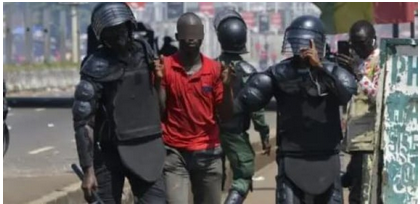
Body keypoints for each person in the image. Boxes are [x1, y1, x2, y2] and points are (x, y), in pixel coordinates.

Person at [233, 15, 358, 203]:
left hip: (327, 156)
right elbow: (248, 102)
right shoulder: (279, 73)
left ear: (317, 44)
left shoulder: (332, 72)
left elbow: (344, 95)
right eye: (296, 42)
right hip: (291, 156)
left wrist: (320, 68)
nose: (301, 48)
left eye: (306, 43)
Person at [72, 3, 166, 204]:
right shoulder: (94, 66)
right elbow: (84, 123)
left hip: (146, 146)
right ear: (102, 35)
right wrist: (88, 170)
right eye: (112, 31)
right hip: (109, 152)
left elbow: (158, 104)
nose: (119, 36)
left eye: (121, 28)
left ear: (130, 26)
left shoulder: (145, 51)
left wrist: (159, 80)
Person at [156, 12, 235, 204]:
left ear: (202, 38)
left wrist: (226, 87)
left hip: (208, 153)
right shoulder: (166, 67)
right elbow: (160, 111)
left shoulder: (214, 70)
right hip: (175, 153)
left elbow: (226, 115)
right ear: (177, 38)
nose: (191, 38)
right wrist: (159, 83)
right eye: (185, 34)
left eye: (195, 34)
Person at [213, 9, 271, 204]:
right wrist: (264, 134)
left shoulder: (210, 68)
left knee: (211, 180)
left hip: (210, 133)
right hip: (236, 133)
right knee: (243, 177)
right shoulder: (248, 72)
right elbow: (257, 109)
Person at [337, 20, 381, 204]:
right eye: (354, 43)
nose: (357, 48)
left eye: (361, 43)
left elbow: (378, 97)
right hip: (355, 142)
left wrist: (359, 75)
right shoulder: (357, 63)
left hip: (368, 142)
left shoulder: (380, 61)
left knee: (361, 196)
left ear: (373, 40)